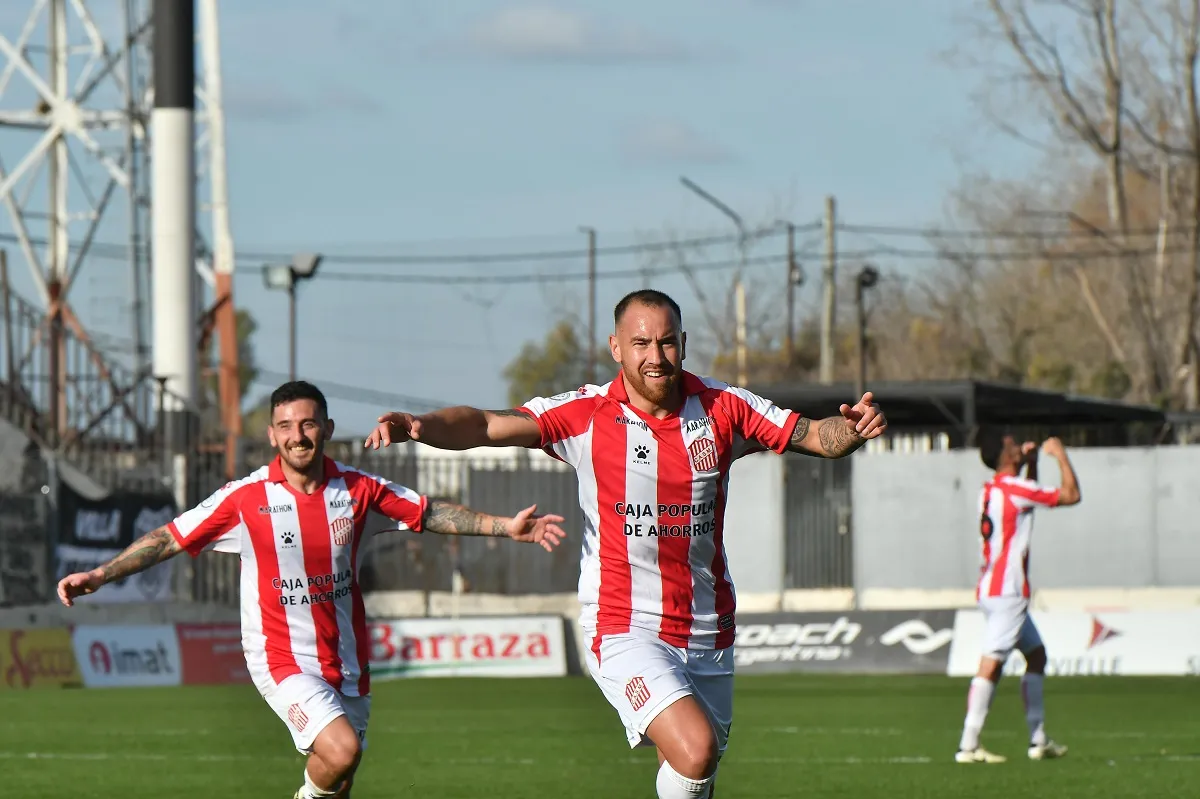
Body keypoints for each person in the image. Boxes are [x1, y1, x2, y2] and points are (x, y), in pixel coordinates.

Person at [363, 289, 888, 799]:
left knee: (690, 773)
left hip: (708, 626)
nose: (655, 358)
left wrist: (854, 429)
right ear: (616, 348)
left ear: (683, 342)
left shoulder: (724, 407)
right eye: (641, 344)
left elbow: (815, 436)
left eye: (666, 343)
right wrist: (419, 425)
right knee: (695, 748)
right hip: (623, 622)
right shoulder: (584, 414)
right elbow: (485, 424)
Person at [56, 380, 567, 799]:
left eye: (307, 424)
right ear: (272, 435)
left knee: (339, 778)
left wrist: (505, 527)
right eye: (285, 427)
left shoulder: (360, 490)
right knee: (342, 751)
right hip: (281, 659)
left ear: (326, 429)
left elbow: (430, 513)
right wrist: (101, 575)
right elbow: (170, 537)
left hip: (346, 662)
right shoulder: (245, 500)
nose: (297, 435)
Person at [956, 431, 1080, 764]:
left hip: (991, 588)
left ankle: (1038, 741)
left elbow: (1026, 504)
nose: (1018, 446)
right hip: (1009, 592)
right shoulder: (1016, 489)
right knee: (991, 665)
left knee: (1036, 656)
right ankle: (968, 746)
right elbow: (1071, 495)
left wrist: (1032, 463)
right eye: (1012, 445)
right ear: (1007, 456)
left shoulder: (990, 490)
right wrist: (1059, 455)